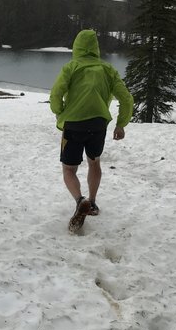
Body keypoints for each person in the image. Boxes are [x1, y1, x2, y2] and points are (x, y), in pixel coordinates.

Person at [49, 29, 133, 231]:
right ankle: (92, 202)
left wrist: (59, 112)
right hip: (98, 125)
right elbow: (127, 98)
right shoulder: (108, 69)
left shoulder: (71, 67)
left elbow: (56, 94)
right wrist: (121, 124)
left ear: (77, 46)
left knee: (69, 169)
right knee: (94, 162)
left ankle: (80, 201)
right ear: (96, 48)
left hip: (73, 124)